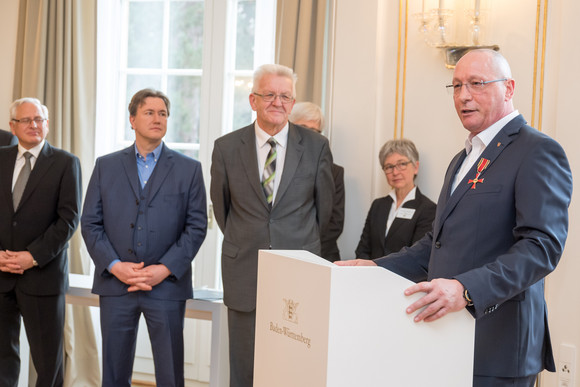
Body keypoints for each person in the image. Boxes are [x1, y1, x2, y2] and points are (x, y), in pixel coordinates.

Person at [337, 49, 572, 387]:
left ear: (508, 88)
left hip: (499, 345)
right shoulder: (461, 159)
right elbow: (436, 243)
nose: (463, 96)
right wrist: (376, 268)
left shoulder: (536, 151)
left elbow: (541, 247)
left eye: (476, 84)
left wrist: (466, 290)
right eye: (457, 85)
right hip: (447, 338)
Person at [210, 64, 335, 387]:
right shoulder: (225, 148)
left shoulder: (316, 147)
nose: (277, 102)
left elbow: (324, 211)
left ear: (292, 103)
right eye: (269, 95)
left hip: (299, 271)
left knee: (293, 366)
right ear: (253, 100)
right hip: (244, 272)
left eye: (285, 96)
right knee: (244, 367)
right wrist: (250, 236)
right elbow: (224, 211)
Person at [81, 89, 207, 387]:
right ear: (132, 119)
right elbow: (90, 223)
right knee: (113, 374)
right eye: (149, 112)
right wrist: (115, 266)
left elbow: (196, 226)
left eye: (163, 113)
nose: (157, 118)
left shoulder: (189, 169)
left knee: (170, 375)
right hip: (116, 284)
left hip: (166, 286)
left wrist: (163, 269)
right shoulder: (106, 165)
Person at [0, 98, 82, 386]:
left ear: (47, 125)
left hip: (43, 276)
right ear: (12, 126)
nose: (34, 125)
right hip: (1, 275)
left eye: (39, 120)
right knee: (2, 361)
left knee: (48, 364)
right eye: (26, 120)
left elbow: (68, 220)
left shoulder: (65, 163)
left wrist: (31, 256)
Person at [355, 138, 435, 259]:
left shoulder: (428, 209)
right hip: (370, 275)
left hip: (403, 277)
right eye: (389, 166)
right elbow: (363, 249)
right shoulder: (378, 205)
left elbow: (417, 256)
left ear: (415, 167)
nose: (395, 172)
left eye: (402, 164)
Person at [289, 101, 345, 262]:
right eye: (304, 128)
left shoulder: (335, 172)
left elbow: (335, 223)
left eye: (316, 131)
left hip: (322, 254)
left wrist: (307, 247)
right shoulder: (274, 167)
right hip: (281, 254)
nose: (311, 136)